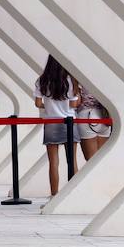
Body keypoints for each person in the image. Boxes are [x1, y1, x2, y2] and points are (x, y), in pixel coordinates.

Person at [34, 55, 79, 197]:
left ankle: (54, 194)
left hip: (51, 122)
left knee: (53, 161)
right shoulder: (71, 80)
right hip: (70, 121)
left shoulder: (42, 80)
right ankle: (73, 194)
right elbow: (73, 104)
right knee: (72, 160)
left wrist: (48, 106)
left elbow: (38, 103)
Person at [74, 79, 111, 162]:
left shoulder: (79, 78)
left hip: (86, 115)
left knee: (90, 160)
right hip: (104, 115)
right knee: (102, 159)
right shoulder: (103, 78)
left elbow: (77, 102)